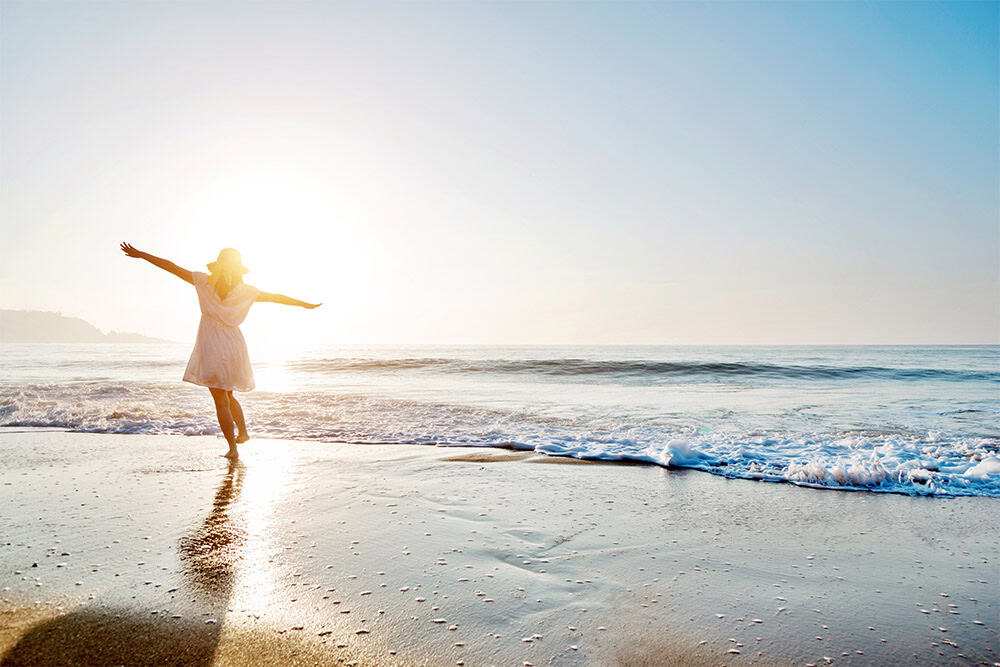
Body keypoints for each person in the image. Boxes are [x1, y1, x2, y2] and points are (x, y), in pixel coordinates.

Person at [120, 243, 321, 458]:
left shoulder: (202, 281)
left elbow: (171, 267)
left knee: (220, 400)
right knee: (228, 393)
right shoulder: (247, 291)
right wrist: (304, 305)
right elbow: (277, 297)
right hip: (234, 344)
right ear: (238, 270)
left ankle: (233, 449)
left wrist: (142, 255)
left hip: (212, 344)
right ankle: (242, 433)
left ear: (217, 267)